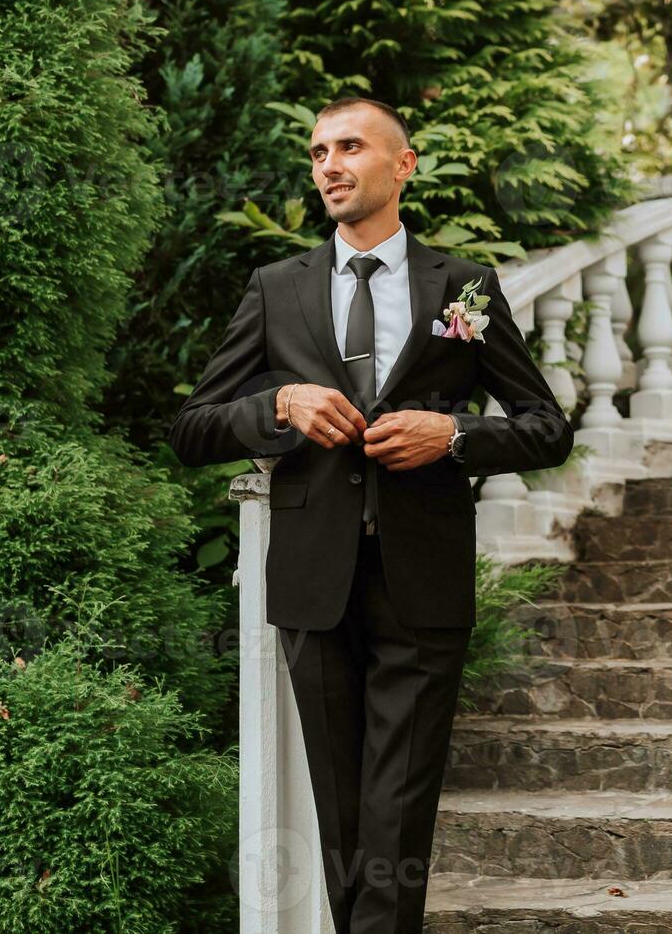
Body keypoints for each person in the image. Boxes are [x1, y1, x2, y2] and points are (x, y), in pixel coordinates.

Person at [167, 96, 574, 933]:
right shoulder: (275, 290)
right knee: (345, 817)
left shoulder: (464, 288)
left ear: (403, 164)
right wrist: (279, 404)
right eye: (318, 153)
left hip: (422, 584)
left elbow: (546, 428)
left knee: (398, 813)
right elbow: (193, 428)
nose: (330, 166)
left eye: (350, 147)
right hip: (314, 586)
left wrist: (453, 434)